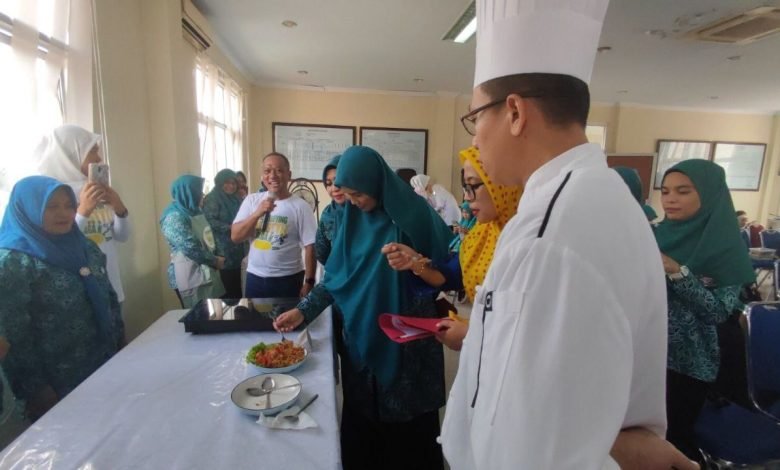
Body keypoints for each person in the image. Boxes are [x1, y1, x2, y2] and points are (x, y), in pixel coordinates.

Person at [439, 1, 676, 468]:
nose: (475, 139)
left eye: (476, 117)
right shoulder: (591, 195)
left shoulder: (551, 233)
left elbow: (535, 444)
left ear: (514, 112)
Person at [274, 146, 456, 470]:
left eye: (358, 194)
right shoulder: (350, 221)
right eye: (347, 194)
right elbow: (336, 279)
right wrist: (304, 310)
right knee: (365, 422)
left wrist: (416, 262)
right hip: (361, 337)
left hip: (407, 341)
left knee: (408, 432)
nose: (353, 201)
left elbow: (448, 273)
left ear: (376, 183)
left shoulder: (414, 214)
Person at [0, 176, 124, 421]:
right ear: (29, 209)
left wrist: (121, 341)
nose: (64, 213)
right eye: (51, 206)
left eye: (69, 205)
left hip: (102, 365)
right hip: (56, 385)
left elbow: (108, 296)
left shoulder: (84, 246)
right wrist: (37, 390)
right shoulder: (13, 263)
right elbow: (15, 336)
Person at [656, 160, 755, 461]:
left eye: (683, 191)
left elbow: (717, 312)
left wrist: (677, 272)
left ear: (709, 194)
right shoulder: (654, 235)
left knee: (676, 440)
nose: (670, 199)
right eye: (665, 191)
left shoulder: (725, 247)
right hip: (646, 353)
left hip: (691, 363)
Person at [34, 125, 131, 305]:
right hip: (79, 293)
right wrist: (84, 210)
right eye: (92, 151)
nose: (99, 158)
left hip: (111, 284)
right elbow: (60, 242)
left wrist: (119, 208)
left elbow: (122, 236)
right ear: (71, 155)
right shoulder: (51, 196)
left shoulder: (95, 188)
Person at [231, 153, 316, 299]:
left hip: (288, 279)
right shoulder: (252, 200)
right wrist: (257, 213)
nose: (272, 176)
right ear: (262, 176)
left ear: (289, 175)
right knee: (254, 315)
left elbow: (311, 246)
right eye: (267, 171)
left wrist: (309, 282)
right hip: (255, 278)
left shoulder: (301, 206)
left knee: (288, 315)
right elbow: (235, 236)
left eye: (279, 170)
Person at [160, 175, 225, 308]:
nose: (202, 195)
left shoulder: (195, 211)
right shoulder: (173, 217)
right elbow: (189, 247)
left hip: (207, 270)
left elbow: (209, 235)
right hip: (188, 274)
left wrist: (219, 254)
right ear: (189, 193)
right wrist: (214, 260)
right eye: (199, 191)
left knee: (212, 312)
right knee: (197, 314)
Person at [203, 169, 244, 298]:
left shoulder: (236, 198)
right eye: (227, 183)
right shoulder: (213, 198)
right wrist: (229, 227)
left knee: (237, 286)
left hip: (237, 246)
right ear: (219, 183)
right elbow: (209, 221)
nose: (231, 186)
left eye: (234, 183)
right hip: (222, 248)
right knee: (226, 288)